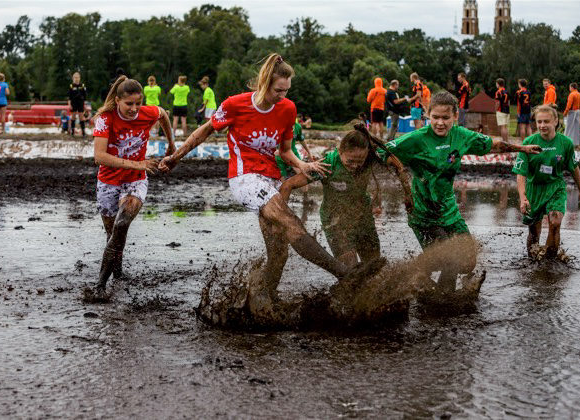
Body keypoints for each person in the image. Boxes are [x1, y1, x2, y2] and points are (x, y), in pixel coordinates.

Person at [159, 54, 379, 306]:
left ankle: (262, 299)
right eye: (278, 90)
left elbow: (285, 151)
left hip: (271, 179)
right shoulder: (235, 105)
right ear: (264, 82)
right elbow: (205, 130)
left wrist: (302, 164)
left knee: (278, 251)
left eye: (286, 90)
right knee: (290, 220)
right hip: (244, 178)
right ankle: (345, 274)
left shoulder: (287, 109)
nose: (282, 96)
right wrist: (176, 157)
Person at [377, 91, 541, 293]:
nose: (440, 123)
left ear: (455, 116)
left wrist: (523, 149)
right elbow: (380, 152)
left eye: (445, 118)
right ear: (427, 115)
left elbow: (492, 145)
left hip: (449, 211)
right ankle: (444, 300)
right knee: (451, 258)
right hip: (423, 213)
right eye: (435, 117)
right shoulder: (416, 139)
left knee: (468, 262)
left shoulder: (462, 136)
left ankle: (420, 272)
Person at [280, 123, 413, 268]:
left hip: (363, 218)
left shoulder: (371, 157)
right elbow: (288, 185)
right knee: (351, 271)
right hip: (335, 222)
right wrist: (281, 220)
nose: (355, 166)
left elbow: (398, 165)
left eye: (359, 162)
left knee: (373, 266)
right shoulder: (328, 165)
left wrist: (408, 195)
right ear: (339, 151)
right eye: (350, 161)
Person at [91, 76, 176, 296]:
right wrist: (137, 162)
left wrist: (171, 144)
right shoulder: (105, 119)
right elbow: (99, 157)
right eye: (129, 104)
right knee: (113, 233)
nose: (134, 109)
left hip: (135, 180)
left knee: (121, 224)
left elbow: (163, 114)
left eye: (138, 103)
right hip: (108, 181)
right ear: (118, 100)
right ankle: (117, 271)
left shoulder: (147, 113)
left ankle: (99, 285)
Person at [513, 105, 580, 258]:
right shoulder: (529, 142)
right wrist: (523, 197)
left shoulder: (565, 143)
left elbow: (574, 168)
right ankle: (533, 261)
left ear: (555, 121)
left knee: (554, 223)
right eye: (539, 122)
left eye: (546, 121)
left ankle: (549, 262)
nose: (542, 125)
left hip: (555, 187)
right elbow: (521, 174)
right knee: (534, 232)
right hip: (534, 188)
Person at [275, 114, 314, 180]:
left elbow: (302, 140)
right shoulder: (277, 125)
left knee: (303, 175)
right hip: (279, 155)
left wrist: (309, 153)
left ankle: (307, 190)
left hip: (293, 154)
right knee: (281, 180)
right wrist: (274, 151)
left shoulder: (297, 126)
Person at [68, 72, 87, 137]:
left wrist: (85, 104)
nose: (76, 79)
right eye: (75, 77)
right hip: (73, 103)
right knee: (73, 117)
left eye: (77, 77)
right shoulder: (71, 86)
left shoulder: (82, 85)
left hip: (80, 103)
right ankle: (72, 131)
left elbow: (85, 96)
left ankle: (83, 132)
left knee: (81, 117)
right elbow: (69, 97)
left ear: (79, 78)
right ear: (73, 78)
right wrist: (69, 104)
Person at [494, 78, 510, 142]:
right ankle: (507, 141)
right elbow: (508, 102)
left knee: (502, 127)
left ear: (498, 84)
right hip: (507, 110)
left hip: (501, 110)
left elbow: (498, 103)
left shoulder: (498, 92)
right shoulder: (507, 91)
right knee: (505, 127)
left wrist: (495, 109)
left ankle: (504, 142)